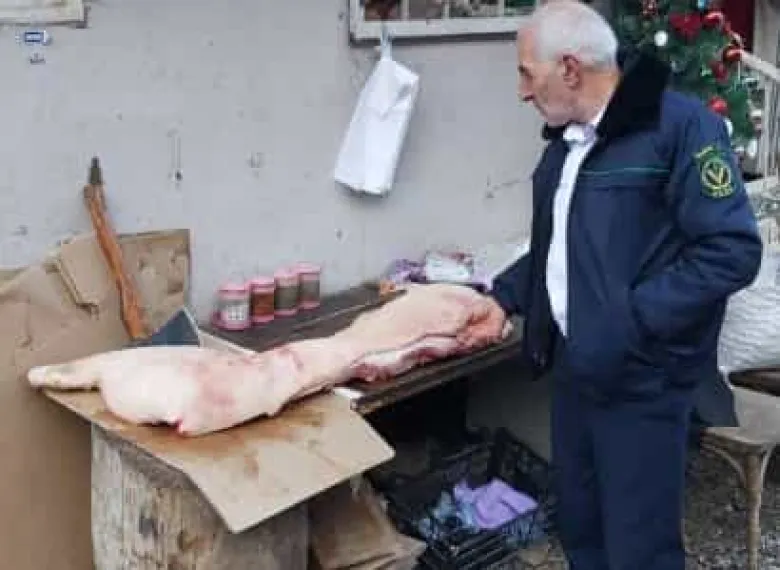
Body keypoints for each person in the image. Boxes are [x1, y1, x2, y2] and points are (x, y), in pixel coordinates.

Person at [458, 1, 763, 569]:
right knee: (582, 532)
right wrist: (503, 296)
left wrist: (628, 320)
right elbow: (561, 247)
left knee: (639, 550)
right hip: (578, 373)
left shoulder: (680, 128)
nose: (522, 92)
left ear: (570, 69)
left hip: (643, 381)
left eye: (526, 73)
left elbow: (731, 251)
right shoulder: (568, 142)